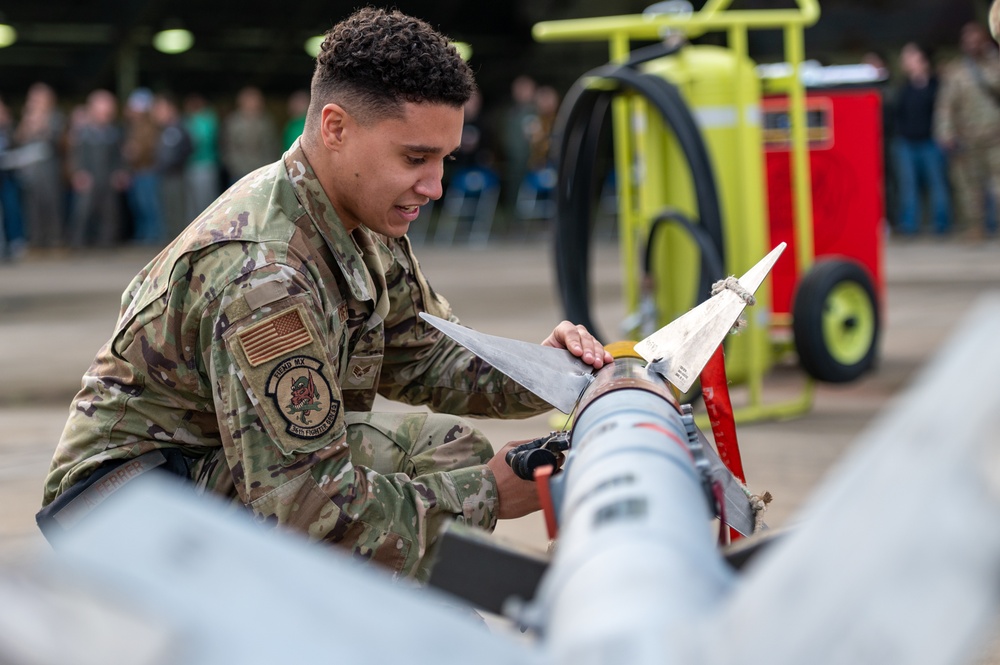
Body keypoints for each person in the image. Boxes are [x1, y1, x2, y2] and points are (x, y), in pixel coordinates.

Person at [39, 8, 611, 581]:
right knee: (437, 473)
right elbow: (307, 511)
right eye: (415, 158)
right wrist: (492, 494)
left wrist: (556, 377)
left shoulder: (355, 215)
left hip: (201, 470)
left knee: (447, 451)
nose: (436, 186)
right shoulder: (262, 275)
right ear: (335, 128)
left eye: (444, 159)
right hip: (127, 513)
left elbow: (422, 352)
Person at [935, 21, 1000, 241]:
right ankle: (976, 228)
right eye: (968, 41)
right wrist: (945, 134)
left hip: (996, 137)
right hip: (967, 138)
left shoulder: (995, 66)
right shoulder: (957, 72)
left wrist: (991, 57)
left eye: (977, 40)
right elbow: (946, 106)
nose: (972, 44)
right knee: (969, 188)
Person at [889, 43, 951, 237]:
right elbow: (895, 115)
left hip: (931, 143)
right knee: (908, 187)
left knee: (937, 185)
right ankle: (909, 227)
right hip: (906, 143)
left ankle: (941, 226)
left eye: (910, 57)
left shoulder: (937, 85)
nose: (905, 61)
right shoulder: (902, 87)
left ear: (923, 61)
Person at [66, 89, 128, 248]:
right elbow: (75, 155)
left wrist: (120, 172)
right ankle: (78, 243)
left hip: (108, 178)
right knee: (83, 213)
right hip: (89, 178)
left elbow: (119, 157)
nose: (105, 115)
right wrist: (78, 173)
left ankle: (106, 243)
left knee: (110, 213)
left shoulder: (114, 132)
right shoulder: (83, 133)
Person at [14, 82, 66, 252]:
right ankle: (36, 240)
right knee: (32, 206)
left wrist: (41, 123)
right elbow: (18, 140)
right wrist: (27, 122)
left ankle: (55, 239)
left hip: (49, 169)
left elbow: (56, 141)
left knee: (51, 204)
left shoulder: (55, 117)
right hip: (31, 171)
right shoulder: (27, 117)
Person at [122, 87, 164, 245]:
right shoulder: (131, 125)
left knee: (149, 203)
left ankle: (153, 234)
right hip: (136, 170)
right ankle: (142, 233)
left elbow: (153, 147)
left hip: (147, 169)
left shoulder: (150, 126)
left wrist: (137, 151)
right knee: (138, 204)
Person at [151, 92, 193, 240]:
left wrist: (172, 164)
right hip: (166, 176)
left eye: (160, 109)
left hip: (175, 176)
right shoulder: (165, 130)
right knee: (169, 211)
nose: (156, 114)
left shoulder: (177, 129)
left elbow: (187, 149)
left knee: (177, 212)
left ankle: (178, 244)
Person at [221, 85, 280, 185]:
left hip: (263, 172)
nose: (253, 103)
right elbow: (227, 147)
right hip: (239, 172)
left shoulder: (266, 122)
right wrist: (235, 166)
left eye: (256, 99)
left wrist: (268, 167)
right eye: (249, 99)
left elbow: (272, 147)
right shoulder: (233, 122)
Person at [182, 93, 221, 222]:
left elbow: (200, 141)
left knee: (205, 201)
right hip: (192, 165)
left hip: (204, 164)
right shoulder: (193, 120)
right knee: (194, 202)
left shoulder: (205, 121)